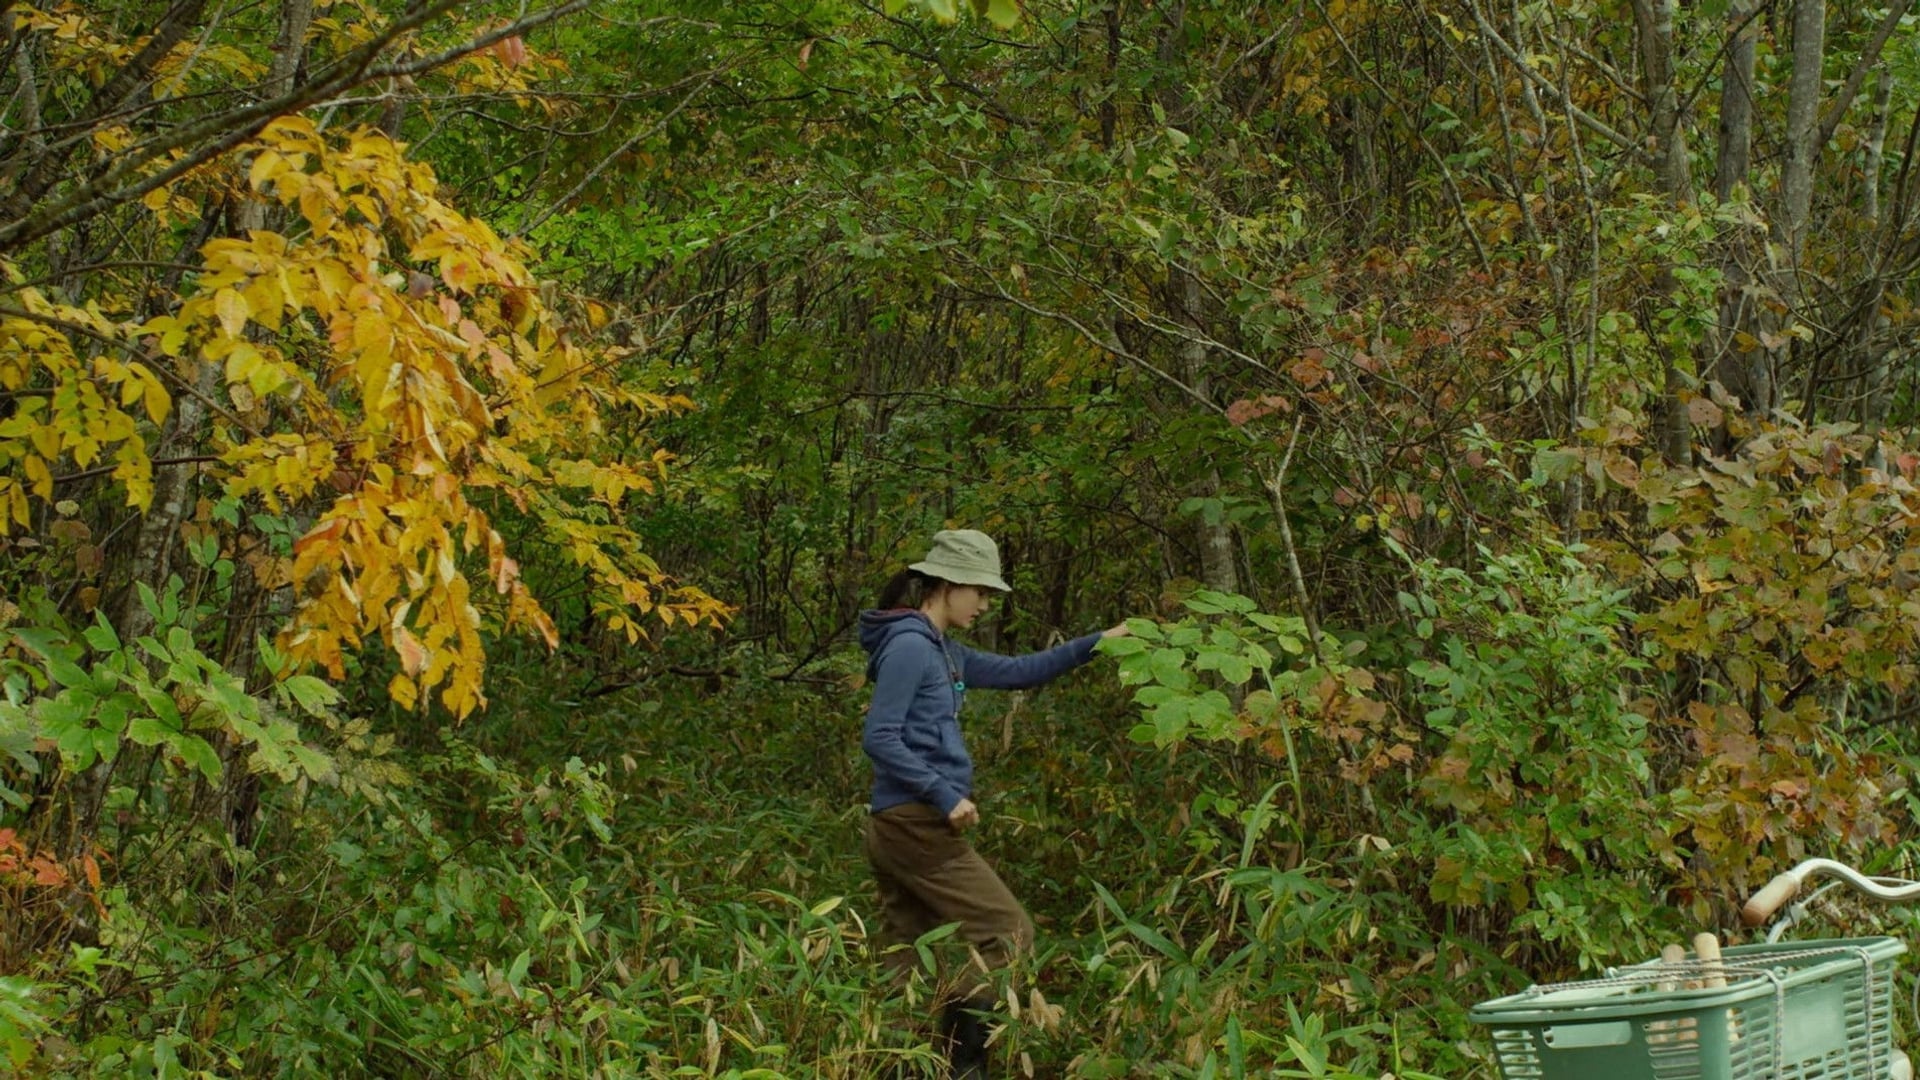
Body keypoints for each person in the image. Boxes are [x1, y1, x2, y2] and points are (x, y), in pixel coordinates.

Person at [858, 528, 1130, 1078]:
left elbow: (1017, 671)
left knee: (908, 956)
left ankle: (902, 1067)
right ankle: (965, 1068)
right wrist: (944, 794)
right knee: (1009, 934)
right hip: (915, 823)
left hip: (900, 822)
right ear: (944, 585)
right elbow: (880, 736)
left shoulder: (941, 648)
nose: (984, 603)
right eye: (978, 591)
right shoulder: (912, 646)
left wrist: (1100, 640)